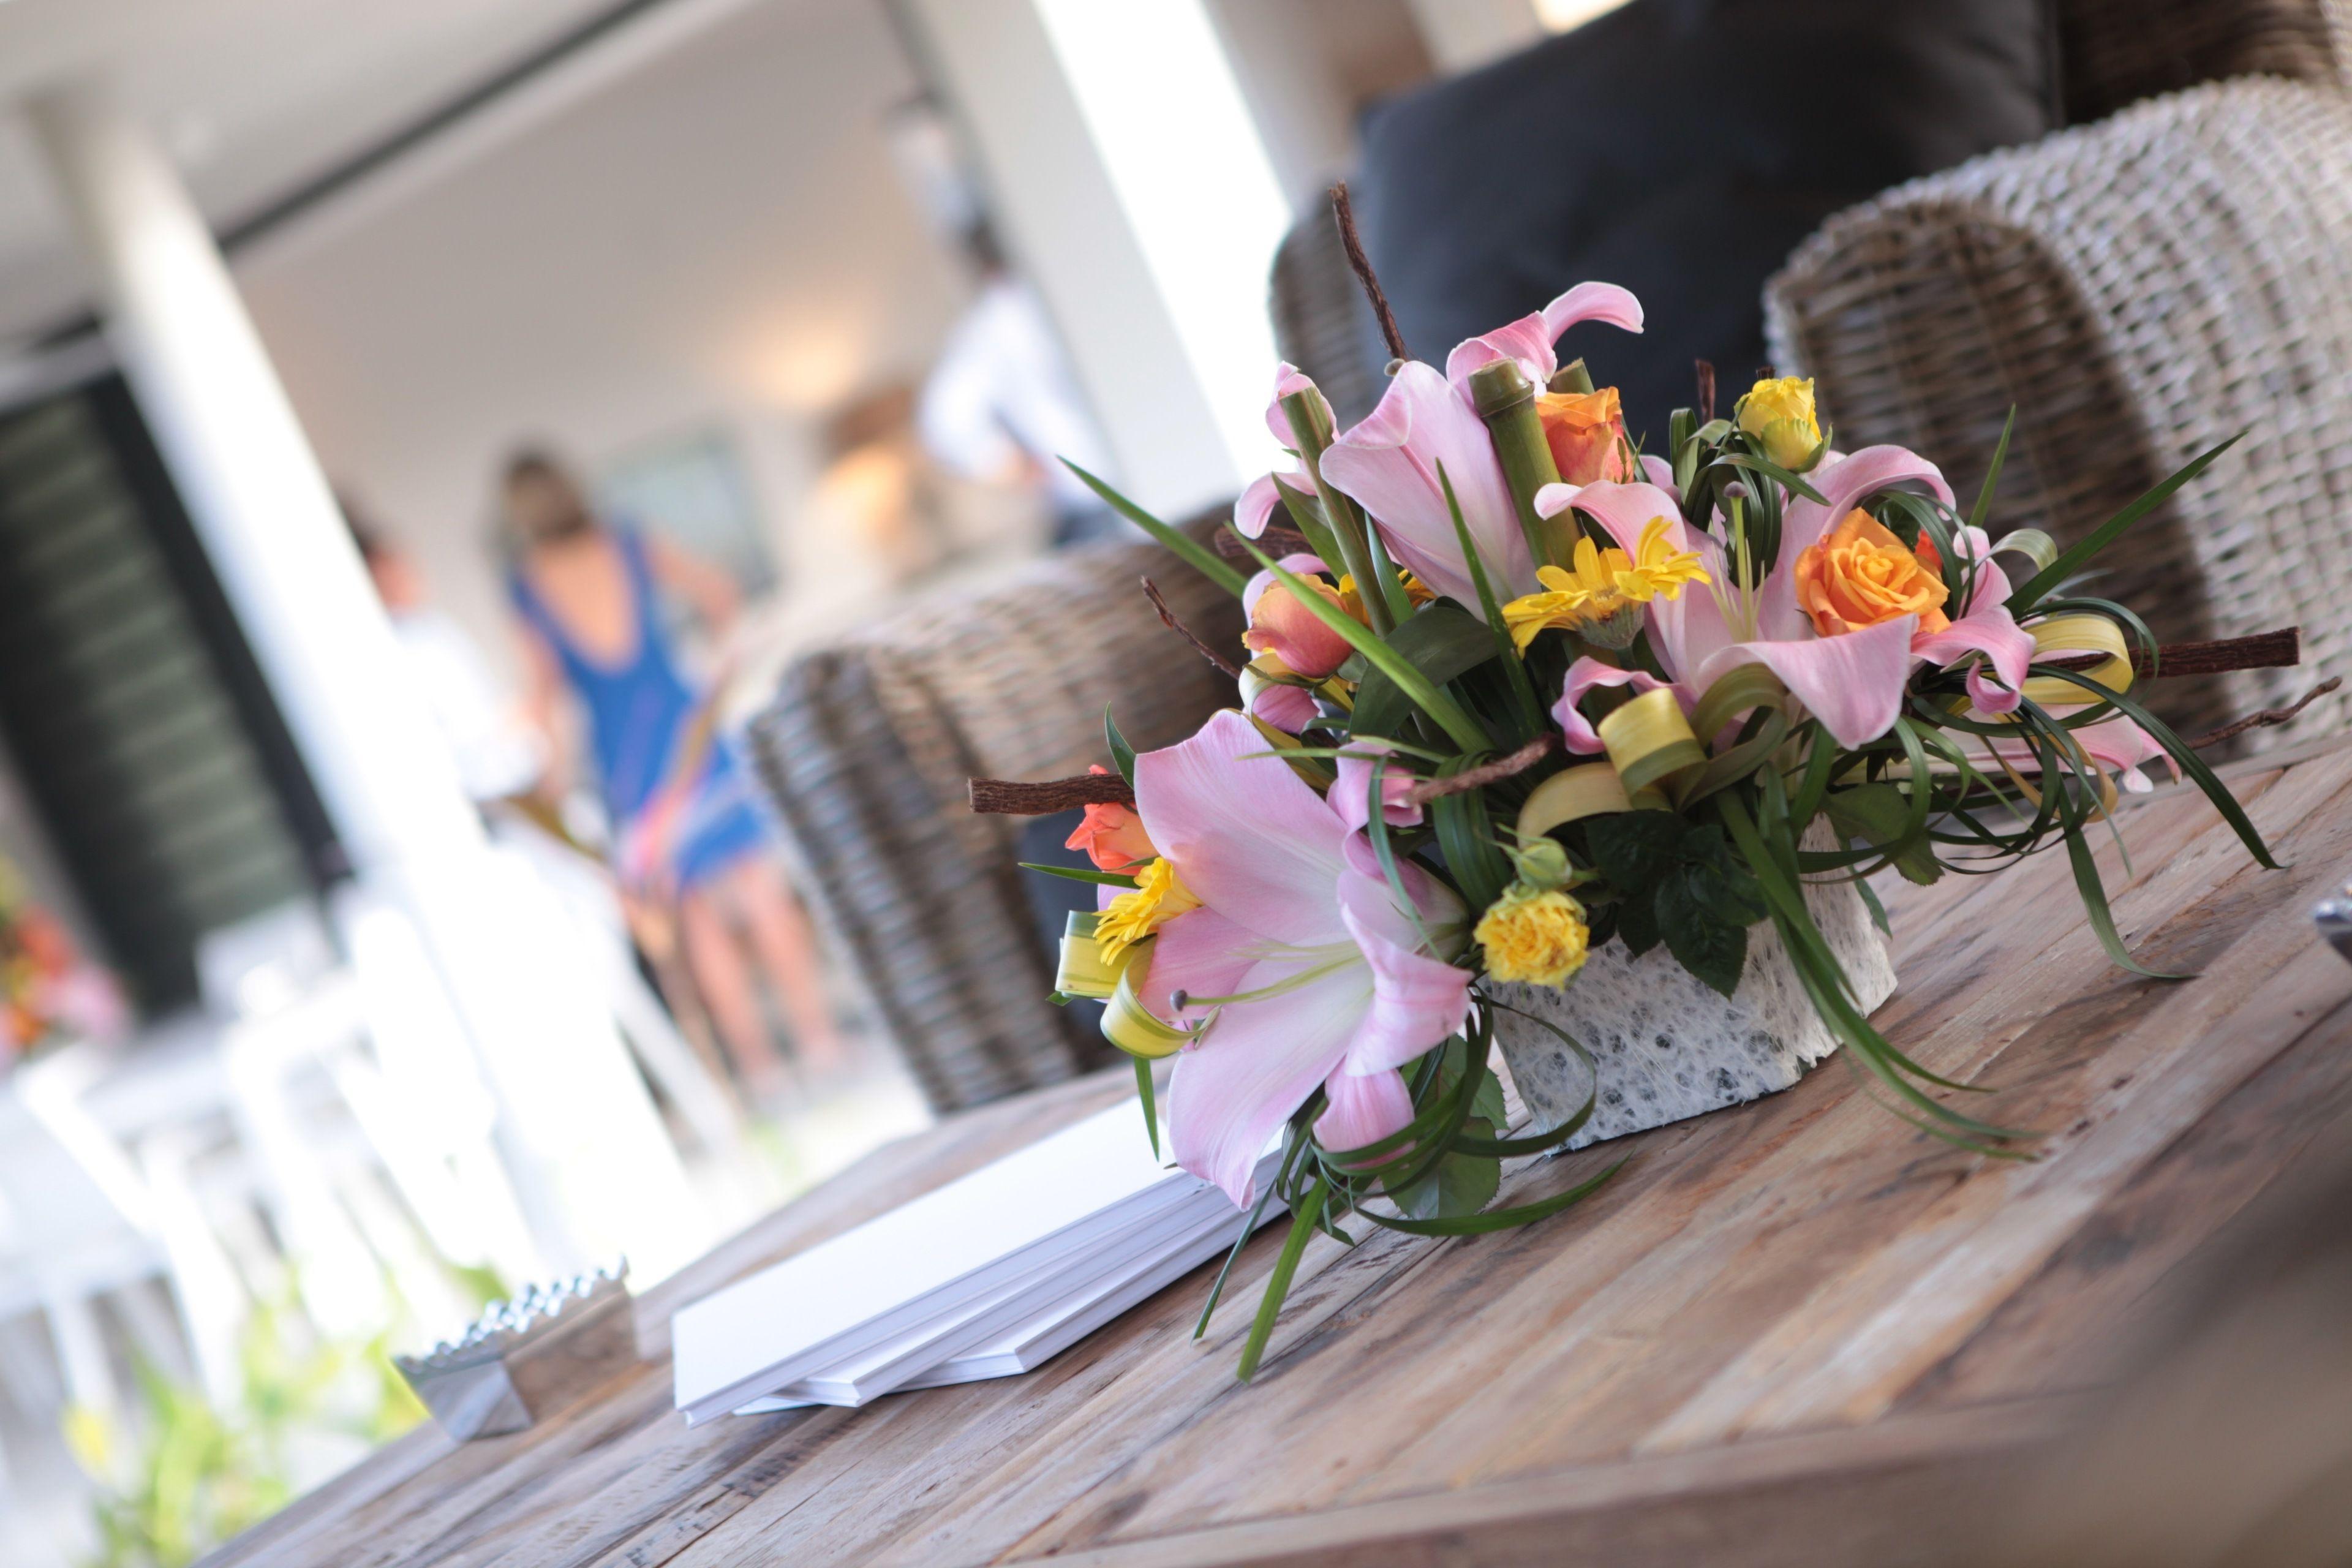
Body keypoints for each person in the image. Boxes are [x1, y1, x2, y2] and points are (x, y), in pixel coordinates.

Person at [498, 451, 842, 1094]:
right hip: (689, 729)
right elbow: (720, 592)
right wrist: (715, 667)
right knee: (761, 890)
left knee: (694, 915)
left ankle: (760, 1068)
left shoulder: (529, 584)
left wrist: (548, 783)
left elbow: (545, 700)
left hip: (627, 759)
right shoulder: (626, 541)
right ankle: (819, 1040)